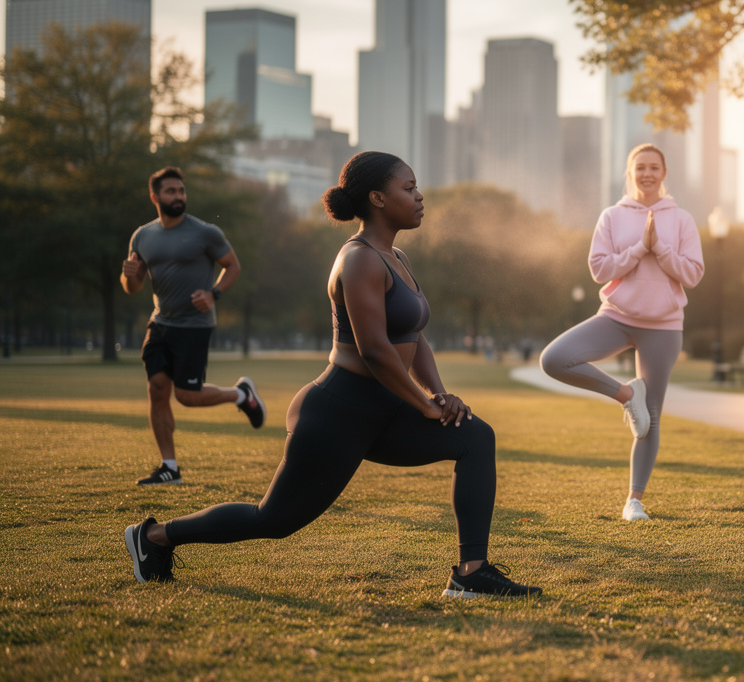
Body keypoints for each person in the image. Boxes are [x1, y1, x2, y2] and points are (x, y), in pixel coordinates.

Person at [123, 151, 539, 598]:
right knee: (274, 520)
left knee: (475, 437)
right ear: (377, 198)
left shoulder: (396, 256)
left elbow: (415, 338)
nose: (420, 197)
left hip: (386, 408)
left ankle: (471, 573)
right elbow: (375, 350)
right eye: (409, 188)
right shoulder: (358, 259)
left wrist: (440, 394)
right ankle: (153, 537)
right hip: (339, 409)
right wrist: (424, 404)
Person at [540, 143, 704, 522]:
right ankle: (626, 393)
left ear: (663, 173)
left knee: (652, 417)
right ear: (630, 173)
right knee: (554, 358)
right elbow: (599, 269)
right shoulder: (613, 216)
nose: (647, 173)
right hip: (615, 316)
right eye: (640, 167)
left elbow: (693, 274)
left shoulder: (681, 219)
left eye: (654, 167)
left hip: (663, 327)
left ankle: (634, 501)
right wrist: (637, 249)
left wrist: (659, 248)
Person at [121, 167, 267, 486]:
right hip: (160, 323)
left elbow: (233, 266)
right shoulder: (142, 235)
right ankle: (169, 467)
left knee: (187, 396)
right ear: (155, 197)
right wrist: (129, 274)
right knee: (157, 390)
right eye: (171, 191)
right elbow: (132, 287)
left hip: (194, 325)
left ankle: (241, 395)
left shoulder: (205, 233)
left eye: (181, 191)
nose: (178, 196)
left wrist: (213, 294)